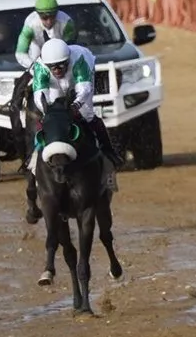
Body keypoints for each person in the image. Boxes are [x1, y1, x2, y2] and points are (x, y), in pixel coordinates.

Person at [25, 38, 123, 222]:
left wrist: (76, 105)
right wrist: (49, 112)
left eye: (61, 66)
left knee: (87, 115)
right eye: (53, 67)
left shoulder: (79, 59)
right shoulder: (40, 67)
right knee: (49, 120)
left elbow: (84, 89)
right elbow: (40, 95)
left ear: (67, 60)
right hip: (52, 88)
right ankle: (34, 157)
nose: (58, 70)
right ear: (47, 65)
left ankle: (109, 152)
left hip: (81, 79)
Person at [0, 0, 78, 172]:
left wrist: (58, 64)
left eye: (51, 16)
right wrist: (35, 67)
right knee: (21, 85)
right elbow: (20, 52)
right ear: (38, 15)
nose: (48, 20)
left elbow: (71, 47)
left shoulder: (67, 23)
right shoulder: (30, 24)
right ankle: (14, 107)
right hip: (35, 58)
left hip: (61, 60)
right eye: (44, 17)